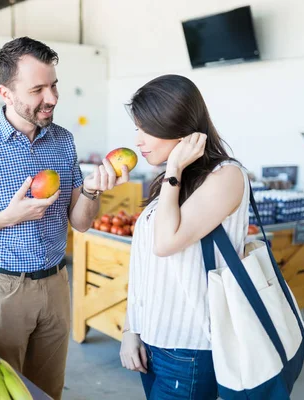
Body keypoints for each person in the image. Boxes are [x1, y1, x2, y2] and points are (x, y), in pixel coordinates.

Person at [0, 36, 130, 399]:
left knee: (48, 390)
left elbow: (82, 222)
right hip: (4, 288)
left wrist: (91, 190)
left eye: (54, 85)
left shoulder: (63, 140)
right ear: (6, 93)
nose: (53, 98)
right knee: (5, 392)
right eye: (38, 89)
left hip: (57, 284)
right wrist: (8, 217)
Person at [119, 74, 249, 399]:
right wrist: (131, 329)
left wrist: (174, 169)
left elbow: (166, 243)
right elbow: (146, 264)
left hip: (190, 347)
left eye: (146, 129)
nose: (138, 139)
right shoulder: (170, 179)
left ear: (180, 128)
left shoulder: (226, 176)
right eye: (137, 128)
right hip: (153, 337)